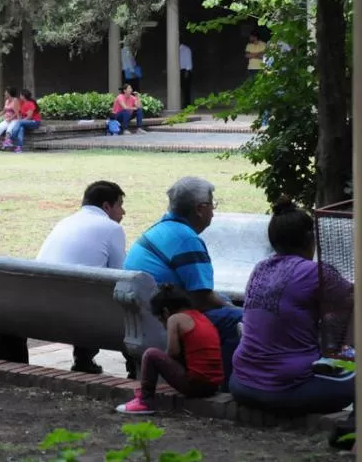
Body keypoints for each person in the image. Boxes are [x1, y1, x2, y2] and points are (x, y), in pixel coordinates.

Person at [229, 196, 355, 419]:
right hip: (283, 389)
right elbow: (358, 299)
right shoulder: (314, 272)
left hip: (241, 383)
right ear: (310, 238)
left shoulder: (260, 268)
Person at [124, 177, 243, 381]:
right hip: (164, 322)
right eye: (212, 205)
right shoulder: (186, 239)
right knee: (240, 319)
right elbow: (203, 299)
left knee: (228, 304)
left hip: (141, 317)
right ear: (200, 209)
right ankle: (224, 383)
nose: (213, 212)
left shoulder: (158, 230)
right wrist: (237, 308)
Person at [37, 180, 127, 373]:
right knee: (129, 302)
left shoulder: (65, 221)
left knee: (84, 291)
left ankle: (84, 360)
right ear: (106, 206)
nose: (123, 212)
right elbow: (121, 274)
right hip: (79, 311)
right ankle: (135, 367)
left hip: (40, 302)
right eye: (120, 205)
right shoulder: (112, 228)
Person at [115, 284, 224, 415]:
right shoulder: (202, 317)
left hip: (195, 386)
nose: (163, 325)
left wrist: (161, 363)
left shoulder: (174, 319)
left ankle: (145, 400)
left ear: (166, 312)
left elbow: (173, 353)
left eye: (161, 320)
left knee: (151, 355)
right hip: (213, 386)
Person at [10, 88, 41, 153]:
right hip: (26, 122)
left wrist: (20, 121)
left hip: (35, 122)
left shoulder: (30, 103)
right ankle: (19, 148)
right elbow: (21, 114)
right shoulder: (22, 103)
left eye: (20, 95)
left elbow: (29, 117)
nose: (19, 96)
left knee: (19, 122)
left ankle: (11, 139)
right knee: (20, 128)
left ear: (23, 96)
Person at [179, 42, 193, 106]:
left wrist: (187, 71)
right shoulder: (178, 49)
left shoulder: (186, 49)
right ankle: (183, 103)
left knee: (186, 89)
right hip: (179, 70)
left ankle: (187, 104)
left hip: (185, 70)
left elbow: (188, 60)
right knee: (182, 88)